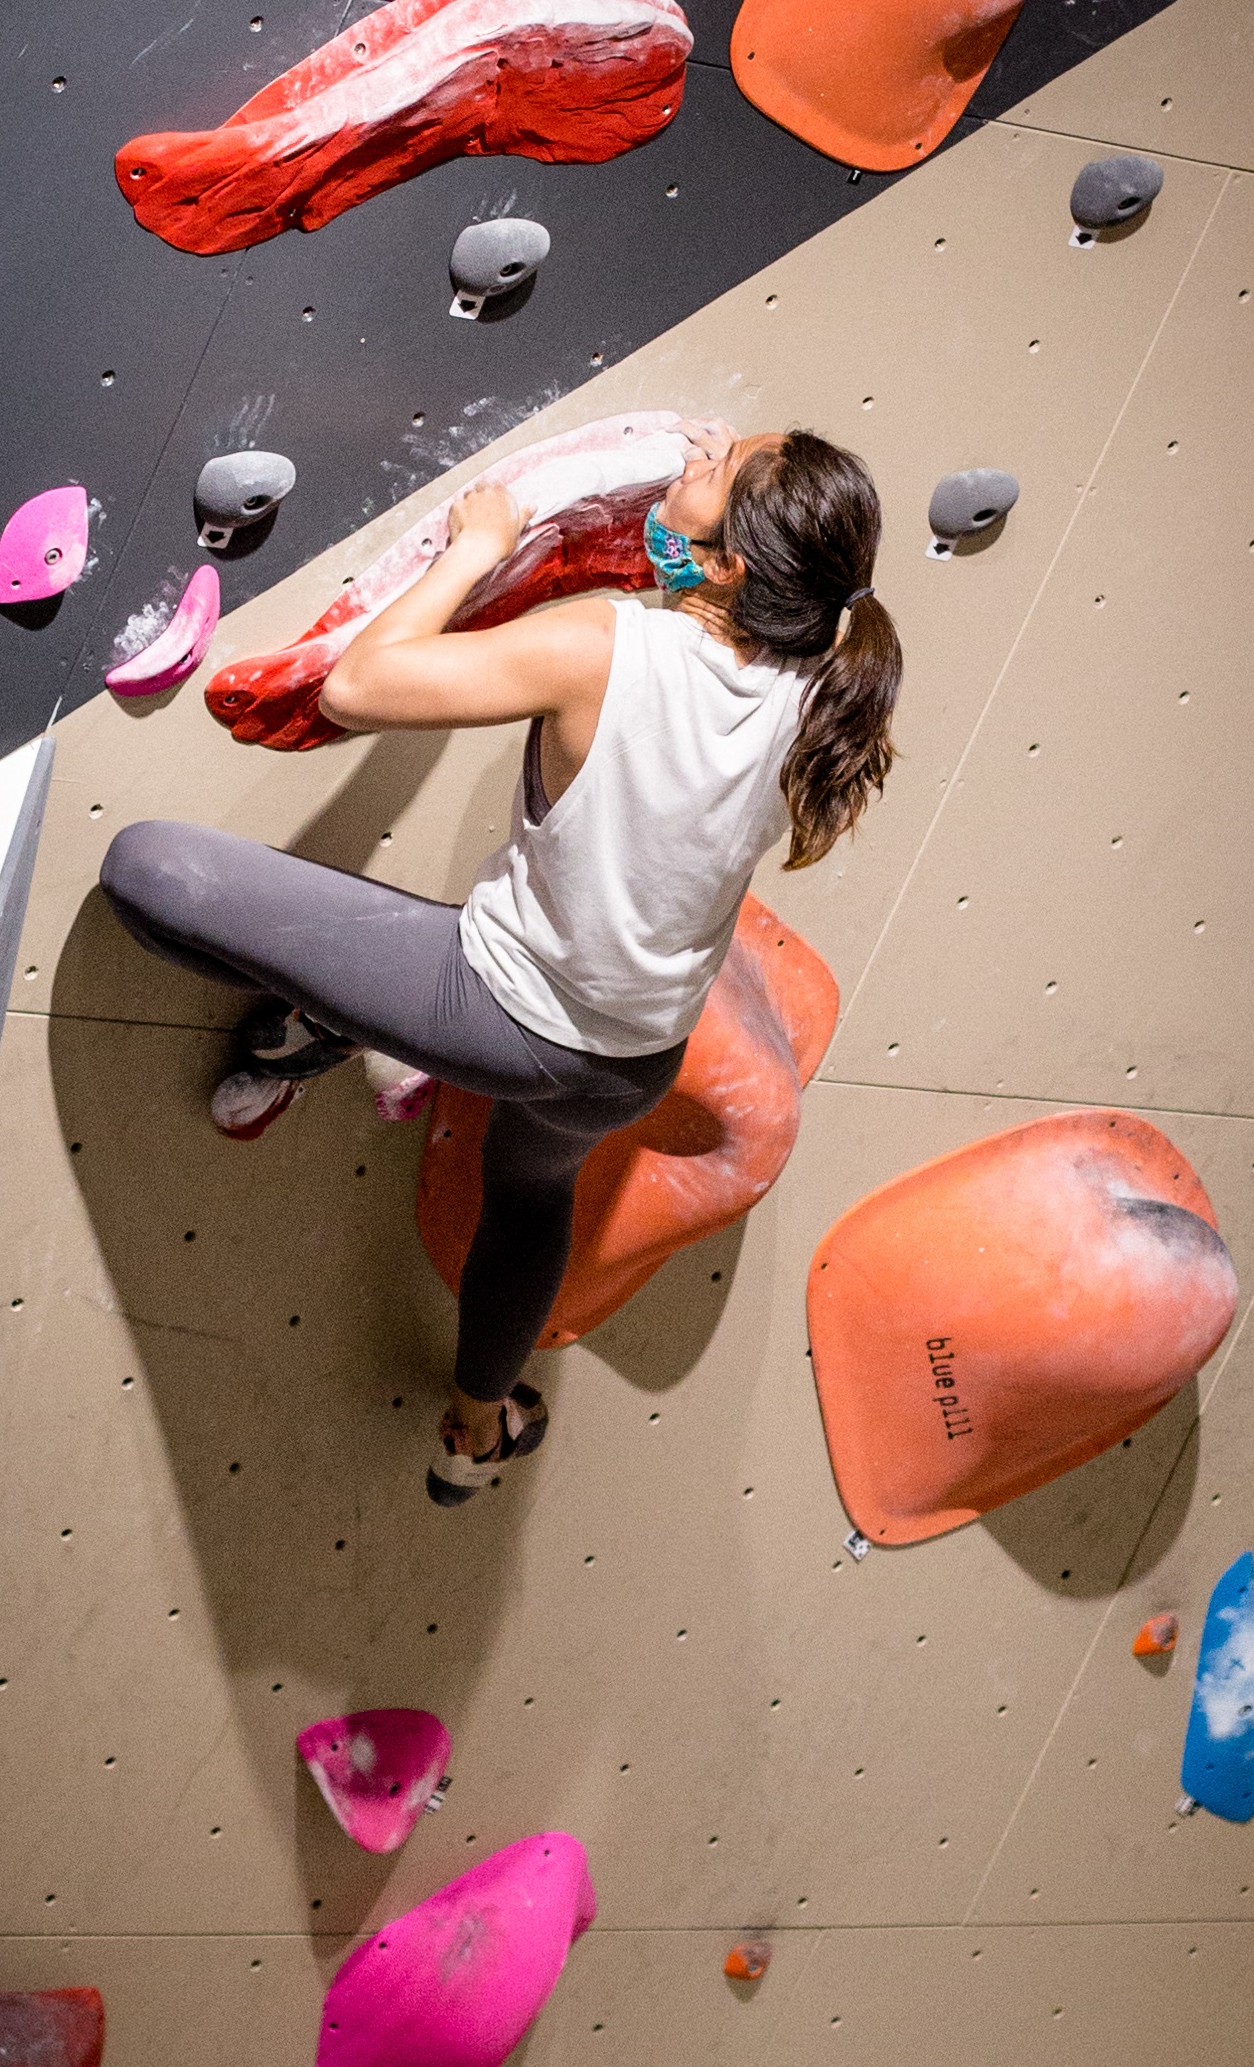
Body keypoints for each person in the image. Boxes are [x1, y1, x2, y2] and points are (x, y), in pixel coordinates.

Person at [97, 421, 901, 1508]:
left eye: (714, 468)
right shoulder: (826, 693)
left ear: (728, 567)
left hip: (497, 1011)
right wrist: (726, 490)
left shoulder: (606, 646)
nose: (693, 455)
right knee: (530, 1196)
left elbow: (359, 690)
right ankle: (476, 1427)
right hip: (632, 1058)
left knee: (146, 870)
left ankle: (340, 1017)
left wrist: (477, 545)